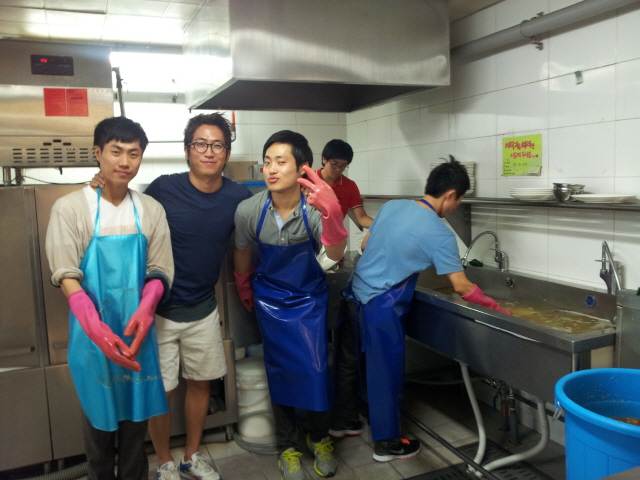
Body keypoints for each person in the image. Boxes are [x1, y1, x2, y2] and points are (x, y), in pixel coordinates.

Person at [91, 113, 252, 480]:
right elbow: (127, 208)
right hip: (157, 311)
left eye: (217, 145)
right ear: (187, 150)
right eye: (201, 144)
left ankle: (191, 456)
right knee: (160, 391)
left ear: (227, 154)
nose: (209, 152)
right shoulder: (164, 189)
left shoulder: (238, 196)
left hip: (204, 309)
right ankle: (164, 461)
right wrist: (101, 181)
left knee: (201, 383)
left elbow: (261, 220)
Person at [337, 157, 510, 462]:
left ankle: (344, 421)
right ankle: (387, 444)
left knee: (350, 363)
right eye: (459, 200)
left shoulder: (392, 206)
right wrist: (498, 309)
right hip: (381, 306)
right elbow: (462, 287)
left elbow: (365, 245)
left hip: (354, 295)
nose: (456, 207)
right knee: (385, 373)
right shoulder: (439, 233)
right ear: (450, 195)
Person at [46, 116, 174, 480]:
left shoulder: (150, 209)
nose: (125, 161)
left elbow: (159, 268)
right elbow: (66, 273)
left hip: (137, 337)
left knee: (135, 433)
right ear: (98, 153)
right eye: (116, 151)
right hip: (92, 341)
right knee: (99, 433)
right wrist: (93, 325)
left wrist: (148, 306)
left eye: (134, 154)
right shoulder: (71, 209)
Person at [233, 130, 348, 480]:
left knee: (317, 368)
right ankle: (287, 446)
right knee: (279, 370)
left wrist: (333, 215)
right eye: (267, 161)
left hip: (309, 299)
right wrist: (243, 285)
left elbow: (334, 254)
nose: (271, 169)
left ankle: (319, 437)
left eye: (280, 162)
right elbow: (242, 250)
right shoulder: (250, 210)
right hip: (269, 300)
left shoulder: (315, 207)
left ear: (302, 168)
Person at [317, 139, 373, 228]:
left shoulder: (349, 186)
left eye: (343, 165)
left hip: (333, 233)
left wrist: (382, 225)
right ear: (324, 159)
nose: (338, 169)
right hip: (305, 234)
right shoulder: (307, 180)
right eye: (334, 164)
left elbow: (362, 218)